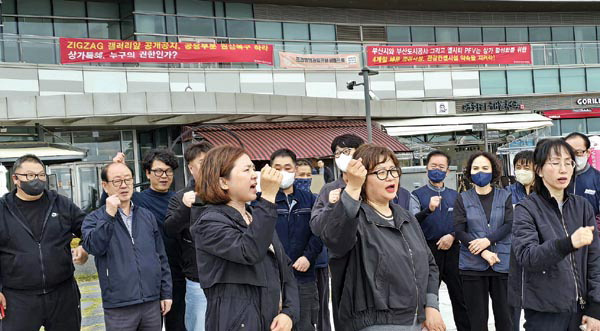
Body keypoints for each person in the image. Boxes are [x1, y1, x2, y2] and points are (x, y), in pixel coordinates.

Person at [316, 144, 445, 331]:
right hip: (374, 323)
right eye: (381, 172)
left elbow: (429, 263)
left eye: (393, 170)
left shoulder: (405, 216)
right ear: (362, 179)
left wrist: (431, 304)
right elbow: (335, 239)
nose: (391, 177)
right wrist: (352, 188)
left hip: (417, 320)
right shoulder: (352, 216)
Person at [191, 145, 299, 331]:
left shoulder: (255, 216)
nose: (254, 175)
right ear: (224, 182)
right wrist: (268, 197)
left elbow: (285, 269)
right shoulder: (208, 222)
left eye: (253, 168)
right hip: (236, 323)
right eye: (246, 169)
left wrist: (288, 313)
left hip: (272, 320)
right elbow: (249, 251)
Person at [512, 138, 600, 330]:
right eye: (555, 162)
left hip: (582, 311)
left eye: (568, 162)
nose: (563, 169)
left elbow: (595, 260)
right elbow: (527, 256)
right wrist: (568, 243)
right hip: (545, 312)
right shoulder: (526, 209)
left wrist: (596, 307)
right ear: (539, 170)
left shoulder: (582, 206)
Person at [0, 154, 88, 331]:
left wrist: (84, 247)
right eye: (30, 176)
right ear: (15, 179)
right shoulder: (3, 209)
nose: (37, 180)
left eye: (41, 175)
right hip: (17, 298)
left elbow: (88, 228)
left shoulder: (61, 204)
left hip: (63, 294)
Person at [82, 162, 172, 331]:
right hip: (119, 305)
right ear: (105, 186)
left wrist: (166, 293)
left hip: (151, 302)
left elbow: (161, 256)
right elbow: (95, 247)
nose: (124, 185)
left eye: (128, 180)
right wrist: (109, 215)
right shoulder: (94, 219)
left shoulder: (147, 216)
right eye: (117, 181)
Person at [109, 149, 185, 331]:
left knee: (179, 325)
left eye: (169, 171)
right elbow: (110, 200)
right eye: (158, 171)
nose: (164, 176)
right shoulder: (137, 199)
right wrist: (117, 169)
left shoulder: (181, 199)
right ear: (148, 173)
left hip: (178, 275)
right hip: (148, 278)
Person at [411, 150, 470, 331]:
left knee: (461, 299)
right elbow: (412, 222)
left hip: (453, 251)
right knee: (428, 298)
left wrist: (452, 236)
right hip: (428, 252)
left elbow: (464, 223)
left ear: (448, 171)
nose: (437, 170)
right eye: (433, 166)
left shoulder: (456, 195)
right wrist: (428, 209)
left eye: (441, 167)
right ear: (427, 168)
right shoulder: (417, 195)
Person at [454, 151, 513, 331]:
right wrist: (483, 251)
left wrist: (487, 241)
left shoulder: (505, 196)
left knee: (505, 318)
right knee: (477, 321)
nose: (480, 172)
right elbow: (459, 231)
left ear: (493, 171)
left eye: (485, 168)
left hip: (501, 263)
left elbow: (509, 224)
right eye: (476, 168)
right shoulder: (462, 198)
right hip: (472, 266)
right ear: (469, 172)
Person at [267, 149, 322, 331]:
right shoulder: (263, 201)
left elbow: (319, 232)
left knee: (305, 323)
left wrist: (308, 257)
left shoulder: (310, 200)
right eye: (277, 167)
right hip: (273, 279)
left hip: (303, 275)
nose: (283, 171)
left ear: (295, 170)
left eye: (287, 167)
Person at [164, 141, 213, 331]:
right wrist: (186, 207)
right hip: (197, 279)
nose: (207, 166)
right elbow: (169, 229)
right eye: (202, 162)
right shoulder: (181, 197)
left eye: (210, 160)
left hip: (228, 278)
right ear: (190, 168)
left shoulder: (227, 192)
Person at [295, 159, 331, 331]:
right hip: (296, 266)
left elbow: (320, 230)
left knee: (322, 308)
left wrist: (309, 255)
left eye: (309, 175)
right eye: (300, 175)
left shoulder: (316, 200)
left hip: (318, 262)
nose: (305, 178)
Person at [506, 150, 535, 331]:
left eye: (527, 167)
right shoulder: (507, 192)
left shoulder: (544, 191)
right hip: (512, 253)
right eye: (518, 167)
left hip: (537, 253)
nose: (522, 170)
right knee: (512, 305)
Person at [565, 132, 600, 221]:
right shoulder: (556, 179)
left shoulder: (597, 178)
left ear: (588, 152)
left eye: (578, 152)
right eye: (569, 153)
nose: (573, 157)